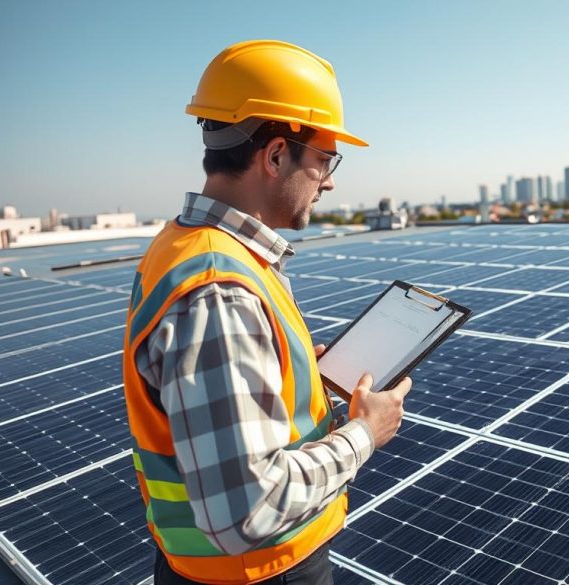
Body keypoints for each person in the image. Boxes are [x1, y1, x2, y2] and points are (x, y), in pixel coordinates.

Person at [122, 40, 410, 585]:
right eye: (325, 159)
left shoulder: (187, 245)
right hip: (256, 573)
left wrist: (299, 380)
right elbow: (247, 511)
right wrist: (366, 434)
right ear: (276, 155)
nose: (330, 181)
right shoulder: (219, 290)